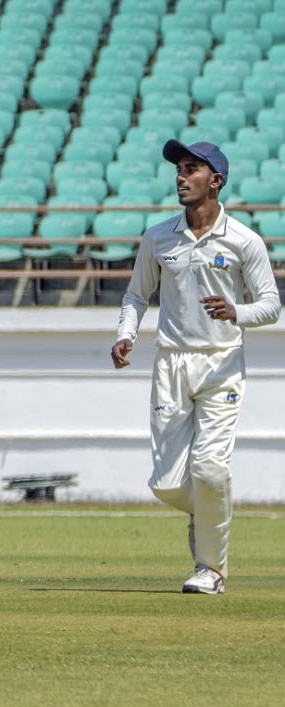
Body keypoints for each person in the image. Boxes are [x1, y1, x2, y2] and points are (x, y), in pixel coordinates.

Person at [111, 139, 280, 595]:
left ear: (216, 181)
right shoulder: (158, 236)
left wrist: (236, 312)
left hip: (221, 363)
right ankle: (211, 509)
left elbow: (271, 306)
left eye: (192, 169)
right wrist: (126, 333)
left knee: (209, 470)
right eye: (179, 169)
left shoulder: (245, 241)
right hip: (170, 363)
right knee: (166, 484)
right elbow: (135, 295)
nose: (181, 177)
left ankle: (211, 569)